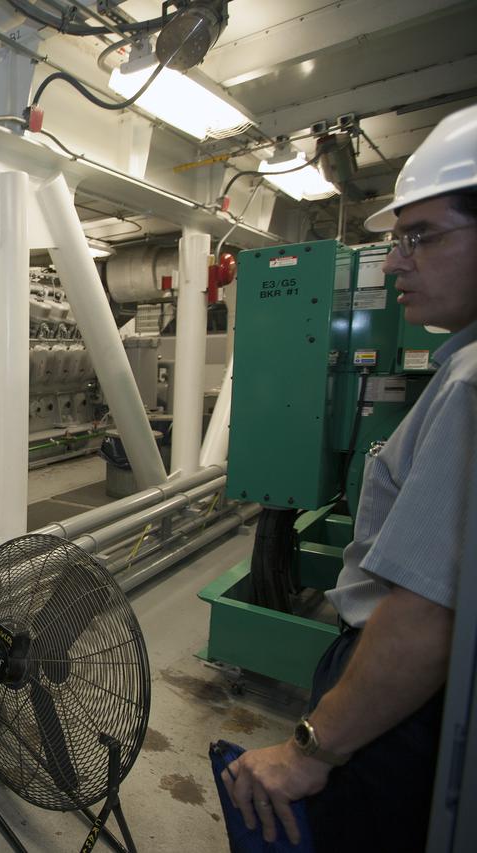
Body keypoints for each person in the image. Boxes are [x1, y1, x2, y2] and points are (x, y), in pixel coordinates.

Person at [221, 103, 477, 852]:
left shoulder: (467, 383)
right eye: (395, 241)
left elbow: (426, 613)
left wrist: (310, 750)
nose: (396, 260)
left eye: (419, 236)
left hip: (398, 710)